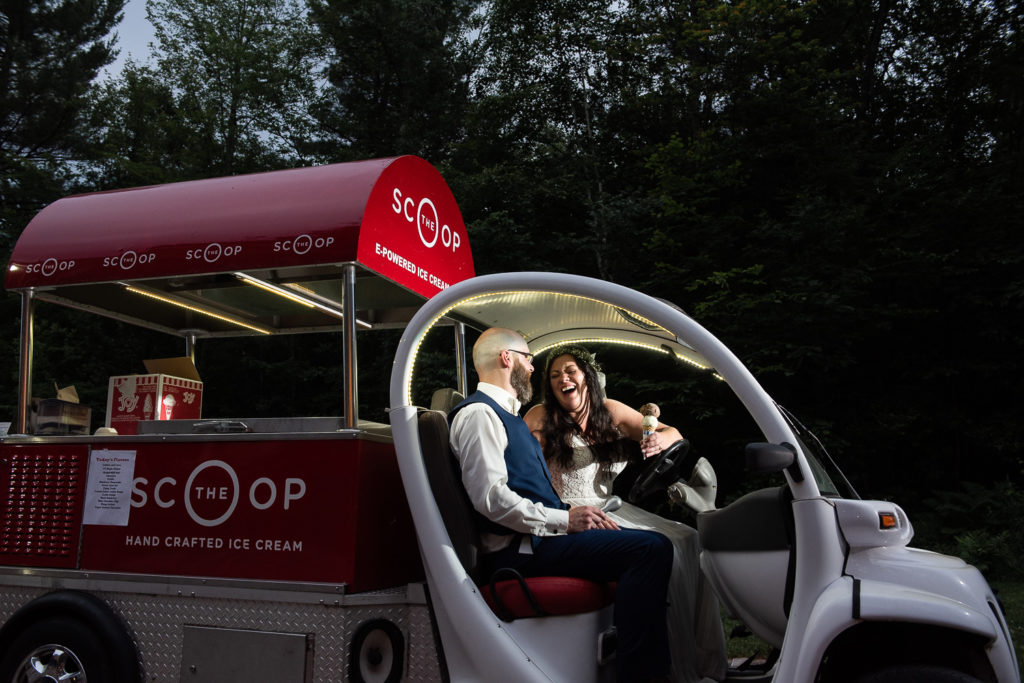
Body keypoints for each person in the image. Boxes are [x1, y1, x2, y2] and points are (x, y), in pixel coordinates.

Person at [449, 328, 673, 683]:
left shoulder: (507, 415)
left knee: (645, 544)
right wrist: (565, 520)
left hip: (537, 540)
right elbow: (490, 499)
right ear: (507, 358)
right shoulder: (480, 415)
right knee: (650, 549)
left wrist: (575, 517)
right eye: (528, 358)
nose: (533, 368)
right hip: (518, 550)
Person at [524, 345, 728, 683]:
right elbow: (525, 470)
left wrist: (658, 441)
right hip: (570, 511)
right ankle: (666, 668)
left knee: (689, 538)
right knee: (664, 547)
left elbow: (669, 431)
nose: (563, 379)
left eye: (570, 371)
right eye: (555, 375)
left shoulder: (610, 410)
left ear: (587, 377)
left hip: (613, 505)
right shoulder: (541, 417)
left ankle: (697, 658)